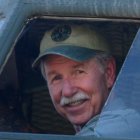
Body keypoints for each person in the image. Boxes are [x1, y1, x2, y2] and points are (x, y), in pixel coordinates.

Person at [32, 24, 140, 137]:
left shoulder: (119, 129)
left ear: (109, 73)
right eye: (56, 78)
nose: (68, 91)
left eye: (79, 72)